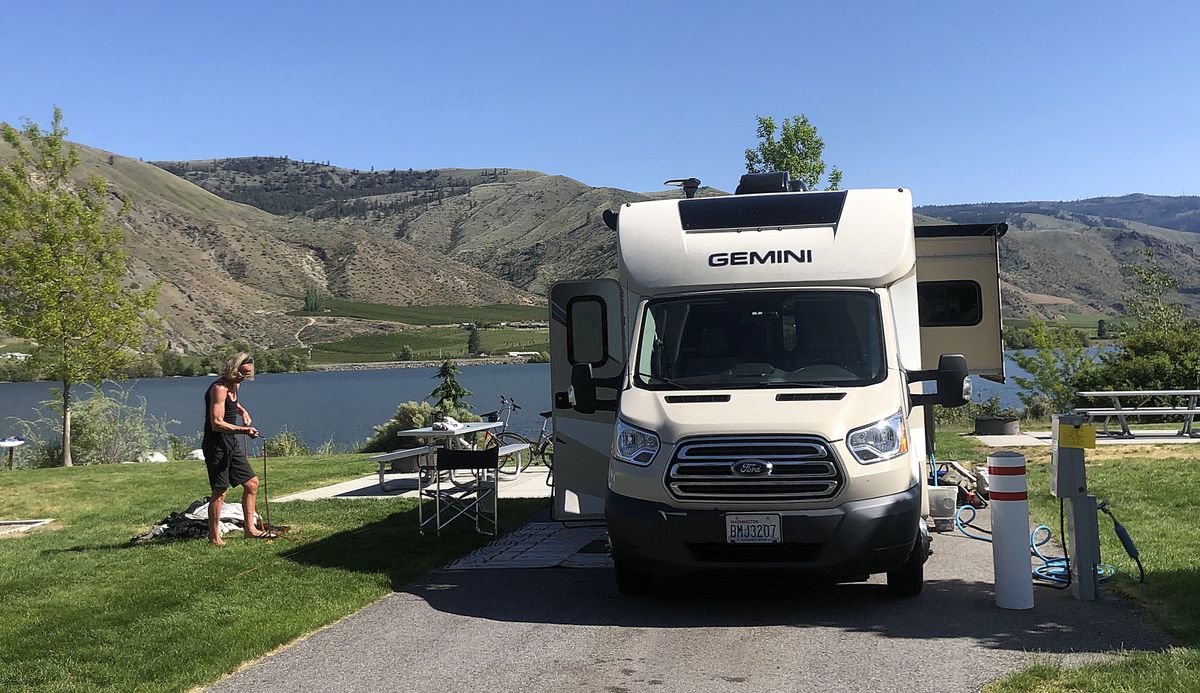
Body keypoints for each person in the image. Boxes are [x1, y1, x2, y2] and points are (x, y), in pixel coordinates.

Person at [202, 352, 275, 545]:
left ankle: (250, 530)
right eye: (242, 373)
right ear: (233, 369)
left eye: (248, 375)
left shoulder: (236, 385)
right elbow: (216, 423)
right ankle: (214, 537)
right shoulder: (219, 388)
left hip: (230, 442)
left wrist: (243, 411)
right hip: (216, 444)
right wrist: (244, 430)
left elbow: (233, 403)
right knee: (220, 490)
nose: (244, 378)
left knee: (252, 484)